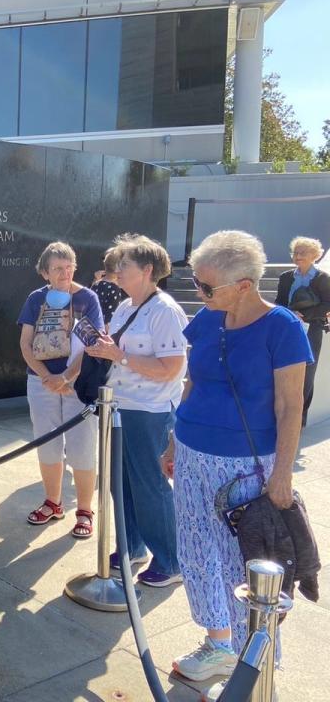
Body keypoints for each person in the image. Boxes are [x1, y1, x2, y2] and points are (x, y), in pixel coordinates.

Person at [164, 230, 310, 685]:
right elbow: (191, 383)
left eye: (207, 287)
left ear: (245, 285)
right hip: (191, 453)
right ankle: (218, 644)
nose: (198, 293)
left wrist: (282, 472)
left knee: (244, 563)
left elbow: (290, 406)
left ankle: (254, 663)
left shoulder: (282, 327)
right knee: (195, 552)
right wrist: (172, 441)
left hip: (245, 464)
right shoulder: (207, 319)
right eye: (197, 283)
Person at [86, 234, 188, 585]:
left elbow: (172, 368)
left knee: (149, 484)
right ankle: (131, 547)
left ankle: (170, 560)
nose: (118, 271)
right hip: (118, 406)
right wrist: (104, 348)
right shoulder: (126, 307)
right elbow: (119, 352)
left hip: (150, 410)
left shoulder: (166, 311)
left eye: (124, 265)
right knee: (121, 484)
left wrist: (120, 356)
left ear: (146, 270)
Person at [18, 241, 103, 539]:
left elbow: (93, 344)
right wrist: (46, 377)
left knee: (82, 446)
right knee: (48, 444)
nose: (65, 274)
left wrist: (67, 377)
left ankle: (84, 510)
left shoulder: (88, 298)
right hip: (41, 383)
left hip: (78, 385)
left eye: (69, 268)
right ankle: (53, 502)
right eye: (57, 269)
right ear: (45, 272)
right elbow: (25, 343)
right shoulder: (35, 299)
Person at [275, 236, 330, 426]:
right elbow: (279, 303)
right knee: (284, 367)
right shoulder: (286, 277)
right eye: (295, 253)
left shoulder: (323, 279)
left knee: (308, 371)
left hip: (312, 328)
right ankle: (282, 411)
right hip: (288, 327)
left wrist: (305, 315)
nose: (297, 256)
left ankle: (299, 417)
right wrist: (289, 313)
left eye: (302, 253)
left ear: (315, 256)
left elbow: (328, 304)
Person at [91, 246, 129, 328]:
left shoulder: (96, 284)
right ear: (118, 269)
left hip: (92, 327)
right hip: (104, 332)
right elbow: (109, 319)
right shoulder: (114, 289)